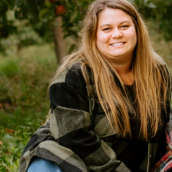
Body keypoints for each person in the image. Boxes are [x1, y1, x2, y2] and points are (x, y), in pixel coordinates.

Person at [19, 0, 171, 172]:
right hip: (65, 159)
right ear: (94, 35)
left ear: (137, 29)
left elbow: (161, 129)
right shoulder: (74, 75)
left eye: (124, 26)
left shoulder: (156, 70)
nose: (117, 34)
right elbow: (74, 138)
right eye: (107, 29)